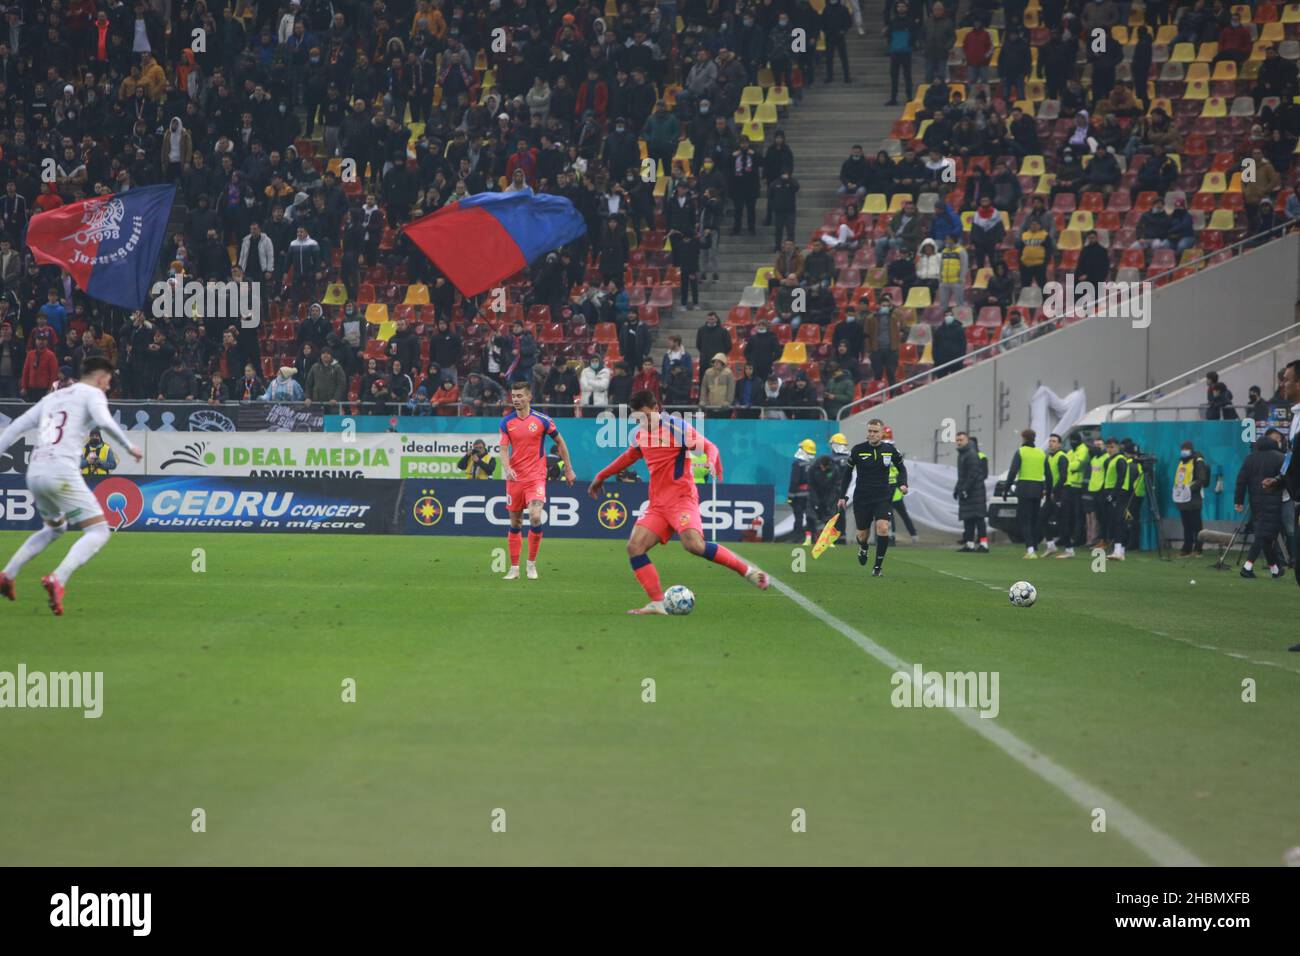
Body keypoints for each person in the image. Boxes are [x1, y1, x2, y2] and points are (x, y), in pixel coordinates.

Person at [587, 390, 769, 614]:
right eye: (637, 418)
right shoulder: (640, 435)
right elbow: (628, 457)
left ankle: (748, 572)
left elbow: (710, 447)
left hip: (682, 499)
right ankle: (657, 603)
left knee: (694, 545)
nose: (643, 422)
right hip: (657, 505)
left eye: (645, 416)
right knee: (634, 547)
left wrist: (711, 461)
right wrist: (601, 476)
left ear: (656, 409)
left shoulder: (676, 427)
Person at [0, 358, 143, 615]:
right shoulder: (92, 394)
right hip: (61, 471)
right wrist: (128, 446)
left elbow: (13, 429)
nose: (108, 387)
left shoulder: (51, 399)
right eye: (108, 382)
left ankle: (8, 574)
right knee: (99, 530)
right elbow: (104, 421)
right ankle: (58, 578)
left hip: (35, 473)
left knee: (55, 528)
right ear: (100, 377)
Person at [498, 381, 576, 581]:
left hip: (536, 477)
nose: (516, 399)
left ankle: (531, 564)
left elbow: (560, 442)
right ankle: (514, 568)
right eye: (513, 396)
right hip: (515, 479)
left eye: (520, 396)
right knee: (515, 523)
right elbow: (503, 449)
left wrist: (568, 468)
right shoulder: (506, 422)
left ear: (529, 397)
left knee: (534, 516)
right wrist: (507, 468)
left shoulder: (543, 420)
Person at [837, 418, 907, 576]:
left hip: (882, 496)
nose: (872, 434)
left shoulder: (890, 450)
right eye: (870, 431)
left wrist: (903, 484)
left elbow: (901, 468)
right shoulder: (858, 450)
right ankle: (863, 547)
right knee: (862, 535)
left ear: (882, 433)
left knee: (883, 527)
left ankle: (877, 567)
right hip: (862, 498)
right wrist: (842, 496)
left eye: (875, 431)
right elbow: (847, 474)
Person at [1235, 434, 1286, 579]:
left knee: (1266, 535)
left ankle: (1275, 569)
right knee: (1264, 535)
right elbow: (1285, 477)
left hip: (1255, 502)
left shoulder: (1250, 458)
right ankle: (1247, 566)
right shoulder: (1280, 457)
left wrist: (1238, 501)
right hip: (1273, 501)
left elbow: (1241, 480)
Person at [1005, 428, 1052, 558]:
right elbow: (1049, 475)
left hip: (1024, 488)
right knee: (1034, 519)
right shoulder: (1041, 453)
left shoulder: (1021, 452)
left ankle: (1030, 550)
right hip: (1038, 489)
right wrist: (1048, 492)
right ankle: (1034, 546)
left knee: (1024, 520)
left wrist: (1006, 489)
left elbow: (1013, 472)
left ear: (1023, 438)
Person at [955, 431, 989, 551]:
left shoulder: (972, 454)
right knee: (968, 518)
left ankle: (984, 544)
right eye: (957, 440)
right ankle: (969, 544)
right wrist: (957, 488)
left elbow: (973, 474)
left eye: (961, 440)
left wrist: (965, 489)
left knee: (979, 519)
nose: (959, 442)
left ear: (967, 440)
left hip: (975, 492)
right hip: (968, 491)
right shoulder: (962, 454)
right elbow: (962, 475)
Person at [1101, 437, 1133, 560]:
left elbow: (1121, 479)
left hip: (1119, 493)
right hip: (1113, 492)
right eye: (1107, 447)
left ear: (1118, 447)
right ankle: (1120, 550)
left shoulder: (1120, 460)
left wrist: (1113, 494)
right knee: (1117, 521)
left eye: (1112, 447)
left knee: (1118, 521)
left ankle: (1118, 550)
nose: (1109, 449)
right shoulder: (1111, 460)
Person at [1041, 433, 1070, 556]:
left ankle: (1069, 550)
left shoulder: (1062, 457)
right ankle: (1051, 545)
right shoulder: (1048, 457)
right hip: (1051, 493)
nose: (1051, 443)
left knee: (1062, 521)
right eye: (1050, 441)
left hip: (1061, 493)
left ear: (1059, 444)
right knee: (1042, 517)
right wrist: (1045, 489)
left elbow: (1063, 477)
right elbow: (1048, 477)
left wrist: (1053, 491)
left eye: (1054, 441)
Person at [789, 439, 816, 546]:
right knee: (811, 518)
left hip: (798, 496)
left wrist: (790, 496)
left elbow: (794, 481)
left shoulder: (797, 463)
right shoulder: (814, 463)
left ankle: (798, 538)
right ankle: (812, 538)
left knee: (798, 518)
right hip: (811, 495)